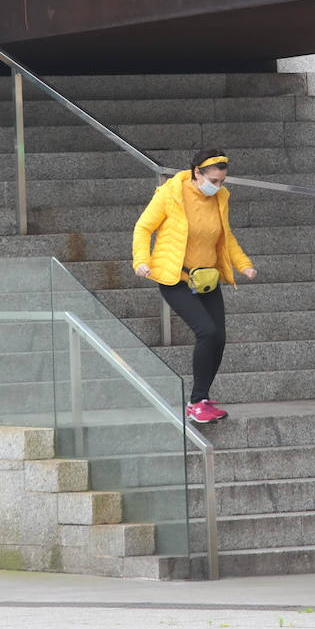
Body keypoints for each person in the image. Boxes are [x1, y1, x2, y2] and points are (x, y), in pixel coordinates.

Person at [133, 150, 257, 424]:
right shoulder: (170, 194)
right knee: (207, 331)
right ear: (196, 173)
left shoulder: (219, 198)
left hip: (206, 278)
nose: (218, 186)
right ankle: (196, 402)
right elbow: (143, 228)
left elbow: (226, 237)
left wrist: (243, 264)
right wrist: (141, 261)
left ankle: (202, 398)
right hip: (175, 277)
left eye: (223, 181)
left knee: (219, 338)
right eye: (214, 180)